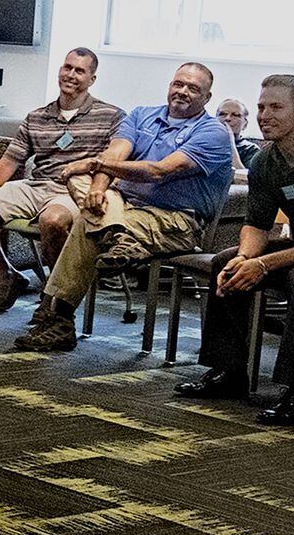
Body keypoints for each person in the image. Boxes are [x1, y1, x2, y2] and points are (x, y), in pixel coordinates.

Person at [15, 62, 234, 352]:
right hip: (123, 206)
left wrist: (96, 166)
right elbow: (115, 154)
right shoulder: (142, 115)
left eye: (193, 88)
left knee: (85, 224)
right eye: (178, 84)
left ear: (206, 98)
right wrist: (96, 187)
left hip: (175, 220)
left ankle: (58, 318)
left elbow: (159, 171)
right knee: (83, 184)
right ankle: (120, 239)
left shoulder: (213, 132)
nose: (182, 91)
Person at [176, 75, 294, 424]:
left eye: (276, 107)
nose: (265, 115)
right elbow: (257, 224)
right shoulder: (266, 162)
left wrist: (263, 265)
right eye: (262, 107)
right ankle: (229, 372)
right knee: (226, 262)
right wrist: (246, 259)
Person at [0, 48, 124, 311]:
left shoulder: (111, 116)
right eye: (67, 67)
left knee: (53, 221)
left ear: (92, 79)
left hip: (75, 190)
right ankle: (8, 275)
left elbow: (116, 162)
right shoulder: (37, 117)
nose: (70, 75)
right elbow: (8, 163)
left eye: (79, 70)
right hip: (36, 185)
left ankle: (54, 296)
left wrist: (100, 189)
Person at [216, 97, 260, 182]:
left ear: (245, 124)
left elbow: (245, 180)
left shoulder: (251, 149)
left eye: (235, 115)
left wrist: (229, 142)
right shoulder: (205, 143)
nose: (227, 118)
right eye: (222, 114)